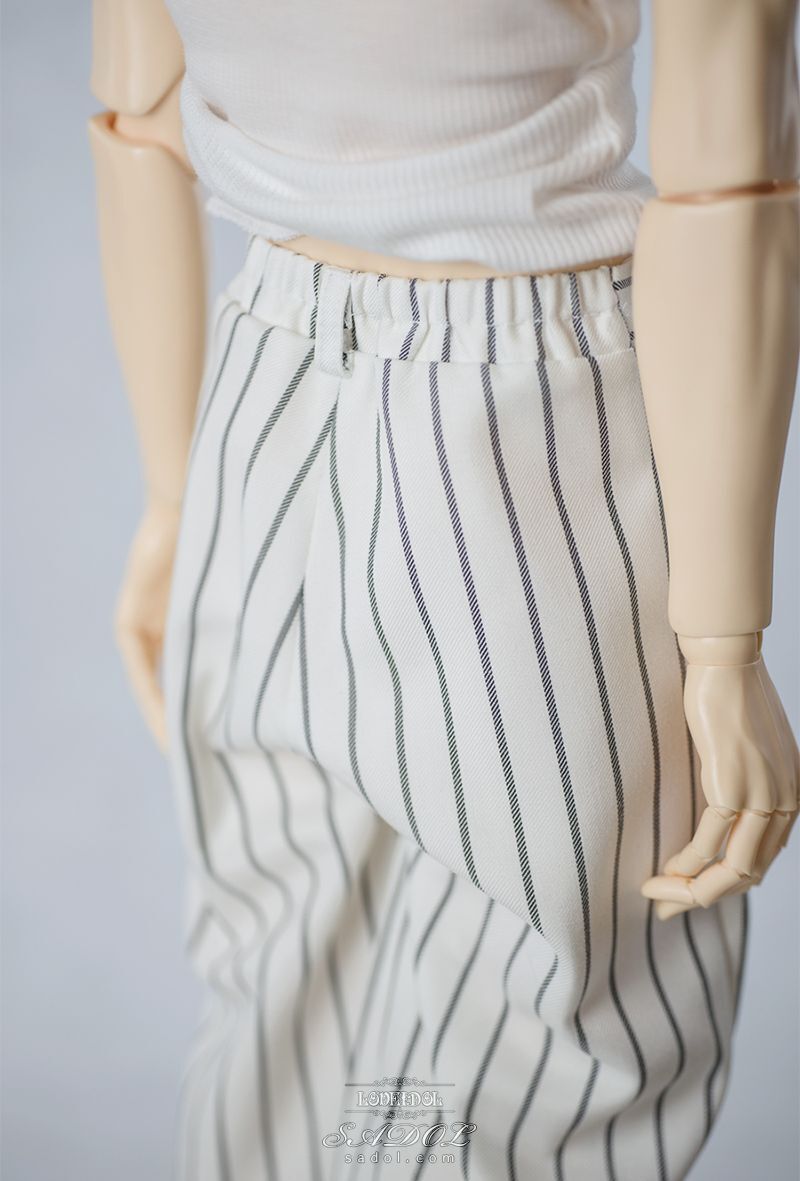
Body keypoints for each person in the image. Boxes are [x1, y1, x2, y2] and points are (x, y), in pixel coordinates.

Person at [88, 0, 800, 1177]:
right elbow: (727, 175)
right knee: (550, 1020)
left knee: (292, 963)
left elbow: (136, 108)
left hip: (283, 387)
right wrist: (721, 641)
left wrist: (176, 497)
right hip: (512, 412)